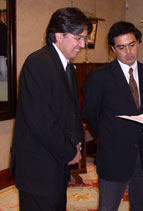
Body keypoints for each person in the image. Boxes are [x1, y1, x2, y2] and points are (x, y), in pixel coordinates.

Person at [9, 7, 92, 211]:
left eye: (84, 38)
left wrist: (77, 145)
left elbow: (71, 112)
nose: (83, 45)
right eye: (78, 38)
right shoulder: (37, 63)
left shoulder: (67, 67)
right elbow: (41, 122)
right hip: (38, 169)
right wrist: (69, 152)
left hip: (56, 164)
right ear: (59, 35)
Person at [83, 21, 143, 211]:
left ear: (139, 42)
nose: (129, 52)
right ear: (112, 49)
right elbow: (91, 114)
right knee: (108, 207)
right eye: (121, 47)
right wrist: (111, 136)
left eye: (132, 44)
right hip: (113, 156)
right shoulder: (99, 77)